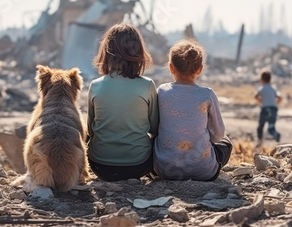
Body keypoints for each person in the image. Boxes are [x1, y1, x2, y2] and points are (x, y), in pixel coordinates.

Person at [87, 23, 159, 181]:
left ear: (106, 53)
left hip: (100, 166)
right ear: (138, 52)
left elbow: (90, 131)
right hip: (138, 166)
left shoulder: (95, 85)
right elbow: (155, 128)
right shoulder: (147, 85)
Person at [153, 39, 232, 181]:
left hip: (164, 170)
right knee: (226, 142)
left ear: (171, 68)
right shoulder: (207, 94)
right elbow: (218, 134)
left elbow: (154, 128)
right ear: (200, 69)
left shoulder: (162, 91)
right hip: (204, 172)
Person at [254, 71, 282, 145]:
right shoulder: (273, 88)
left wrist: (261, 101)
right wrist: (275, 103)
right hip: (273, 109)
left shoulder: (262, 88)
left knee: (260, 126)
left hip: (265, 109)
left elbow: (256, 96)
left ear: (262, 79)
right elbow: (280, 98)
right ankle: (276, 135)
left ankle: (260, 142)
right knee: (271, 127)